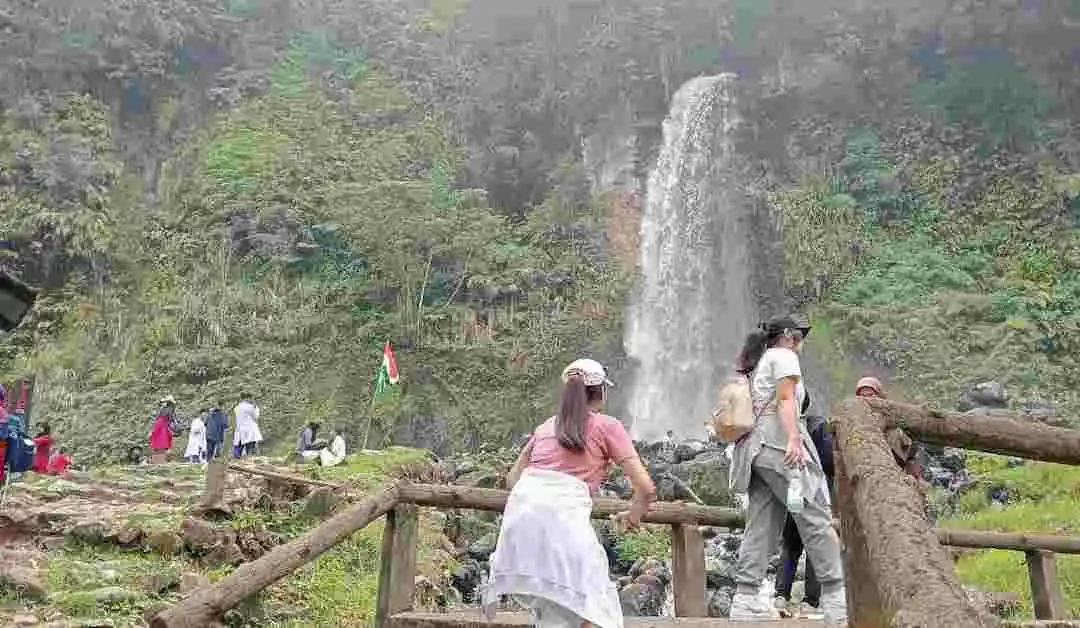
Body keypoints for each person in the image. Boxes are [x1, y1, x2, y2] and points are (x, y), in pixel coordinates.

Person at [482, 358, 657, 628]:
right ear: (601, 392)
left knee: (555, 614)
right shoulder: (607, 426)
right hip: (563, 526)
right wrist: (633, 515)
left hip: (520, 531)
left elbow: (512, 479)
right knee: (598, 613)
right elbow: (646, 488)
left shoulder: (545, 427)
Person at [728, 315, 847, 626]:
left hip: (757, 455)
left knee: (763, 522)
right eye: (801, 337)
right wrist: (795, 440)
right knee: (813, 513)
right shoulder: (783, 356)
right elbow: (785, 399)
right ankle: (837, 599)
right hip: (782, 453)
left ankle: (746, 598)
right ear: (791, 337)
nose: (802, 344)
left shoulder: (758, 364)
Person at [774, 393, 835, 619]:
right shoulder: (818, 425)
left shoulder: (779, 428)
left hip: (792, 492)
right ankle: (810, 603)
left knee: (791, 544)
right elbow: (829, 461)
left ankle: (780, 596)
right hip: (815, 494)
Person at [855, 376, 923, 478]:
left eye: (871, 395)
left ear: (879, 396)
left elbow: (911, 450)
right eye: (862, 396)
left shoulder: (894, 419)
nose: (867, 399)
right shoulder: (856, 421)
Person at [149, 397, 176, 464]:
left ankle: (159, 461)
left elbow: (158, 424)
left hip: (160, 433)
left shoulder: (163, 413)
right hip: (166, 432)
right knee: (165, 448)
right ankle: (165, 460)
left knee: (158, 449)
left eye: (163, 402)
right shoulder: (170, 411)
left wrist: (152, 432)